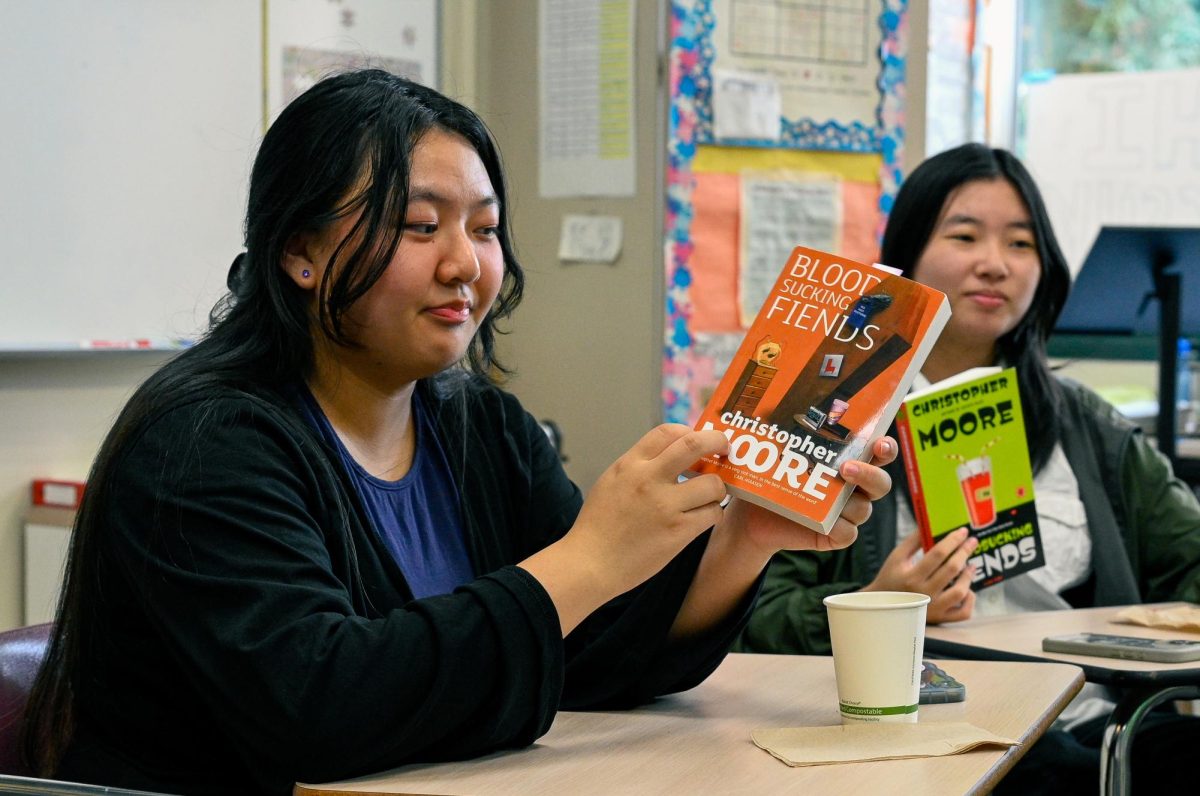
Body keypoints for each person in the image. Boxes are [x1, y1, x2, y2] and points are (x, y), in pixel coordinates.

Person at [19, 70, 895, 796]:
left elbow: (588, 651)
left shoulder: (477, 424)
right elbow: (317, 711)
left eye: (484, 229)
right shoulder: (202, 444)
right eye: (419, 225)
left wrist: (742, 538)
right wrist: (588, 557)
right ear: (300, 252)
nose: (465, 264)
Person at [734, 142, 1200, 794]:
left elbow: (1190, 558)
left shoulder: (1086, 424)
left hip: (1086, 723)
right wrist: (877, 605)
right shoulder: (822, 417)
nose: (994, 265)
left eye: (1020, 243)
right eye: (964, 236)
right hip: (911, 734)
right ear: (909, 255)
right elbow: (752, 614)